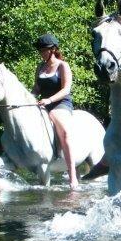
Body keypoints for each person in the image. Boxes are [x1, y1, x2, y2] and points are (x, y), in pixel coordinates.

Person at [32, 33, 79, 190]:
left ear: (52, 50)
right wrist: (30, 98)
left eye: (43, 50)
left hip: (61, 104)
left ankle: (73, 177)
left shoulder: (62, 66)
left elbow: (66, 90)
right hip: (43, 104)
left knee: (63, 130)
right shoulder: (40, 67)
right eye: (40, 50)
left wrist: (49, 100)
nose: (41, 53)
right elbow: (37, 88)